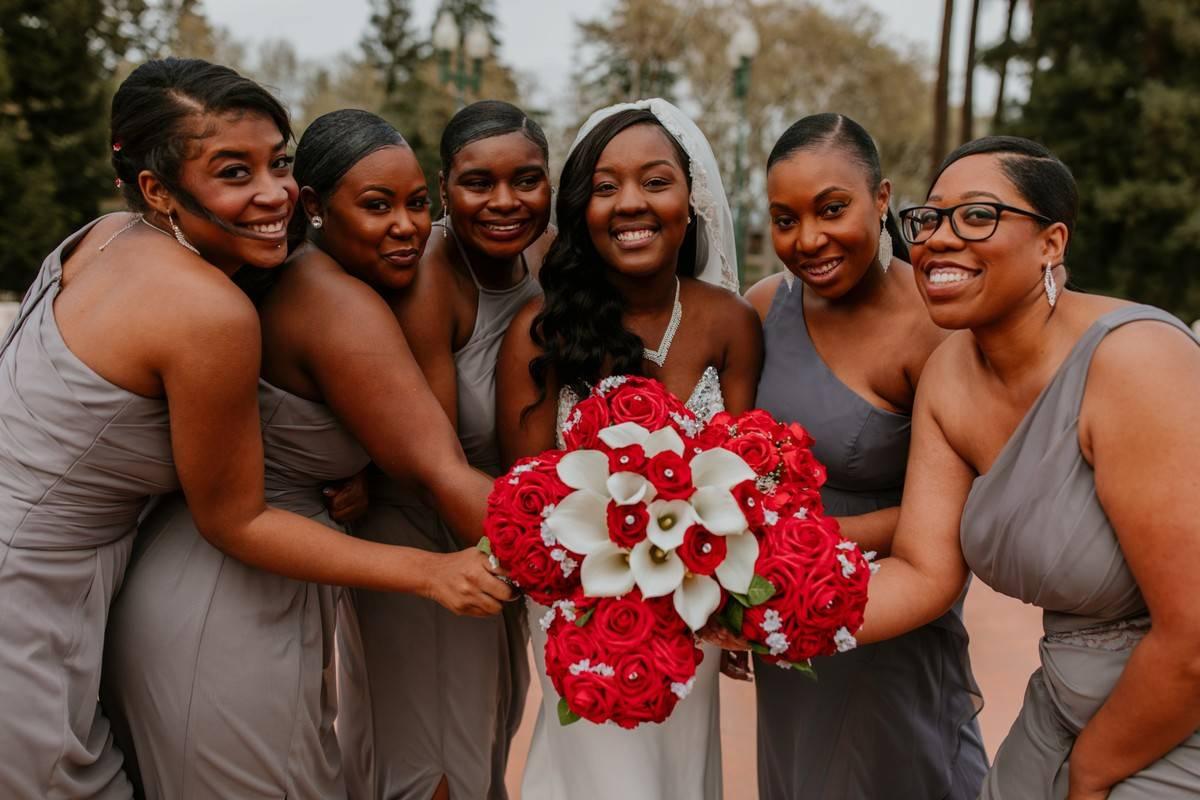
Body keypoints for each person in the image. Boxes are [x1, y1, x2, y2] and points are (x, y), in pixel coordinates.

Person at [100, 99, 513, 799]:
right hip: (226, 599)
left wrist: (365, 481)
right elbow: (441, 470)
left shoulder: (294, 275)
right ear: (317, 207)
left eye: (418, 204)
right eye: (378, 205)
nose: (408, 226)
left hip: (238, 579)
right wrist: (594, 559)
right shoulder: (333, 303)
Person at [859, 135, 1200, 798]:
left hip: (1174, 710)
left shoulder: (1137, 363)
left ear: (1051, 243)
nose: (938, 238)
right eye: (927, 219)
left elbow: (1192, 637)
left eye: (978, 215)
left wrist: (1093, 774)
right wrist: (761, 613)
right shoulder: (950, 375)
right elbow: (922, 573)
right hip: (1062, 709)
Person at [495, 98, 762, 800]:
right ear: (581, 207)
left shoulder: (731, 322)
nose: (630, 204)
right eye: (606, 187)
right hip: (577, 615)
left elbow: (750, 487)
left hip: (694, 610)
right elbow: (521, 502)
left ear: (691, 199)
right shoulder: (539, 331)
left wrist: (736, 602)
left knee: (681, 776)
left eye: (655, 181)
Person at [743, 113, 987, 799]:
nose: (808, 239)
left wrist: (807, 544)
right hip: (784, 618)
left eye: (832, 209)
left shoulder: (933, 326)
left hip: (888, 619)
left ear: (882, 200)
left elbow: (962, 505)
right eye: (785, 220)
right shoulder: (763, 308)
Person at [337, 100, 552, 800]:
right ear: (444, 186)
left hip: (496, 536)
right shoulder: (429, 274)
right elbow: (434, 460)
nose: (505, 202)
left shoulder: (548, 263)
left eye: (526, 180)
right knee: (434, 769)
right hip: (432, 538)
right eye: (478, 183)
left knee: (485, 743)